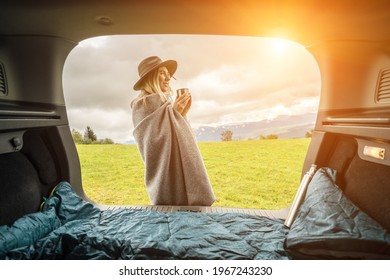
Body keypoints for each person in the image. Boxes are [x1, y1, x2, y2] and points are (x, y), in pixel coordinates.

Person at [130, 56, 215, 206]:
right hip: (165, 177)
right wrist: (173, 114)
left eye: (168, 73)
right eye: (162, 72)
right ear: (151, 78)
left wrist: (180, 116)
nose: (168, 77)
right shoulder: (141, 105)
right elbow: (151, 145)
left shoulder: (166, 103)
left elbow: (183, 138)